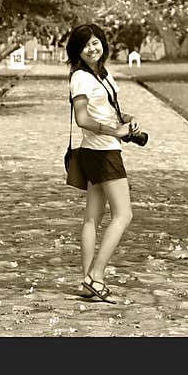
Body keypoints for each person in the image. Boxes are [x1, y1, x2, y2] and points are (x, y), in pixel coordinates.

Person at [65, 23, 141, 303]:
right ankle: (95, 276)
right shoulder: (80, 78)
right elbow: (82, 119)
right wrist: (115, 132)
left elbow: (109, 111)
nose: (92, 48)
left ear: (103, 43)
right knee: (124, 214)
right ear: (77, 50)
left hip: (97, 150)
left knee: (92, 218)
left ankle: (87, 283)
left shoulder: (104, 75)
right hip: (102, 151)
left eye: (96, 42)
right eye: (85, 45)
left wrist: (126, 120)